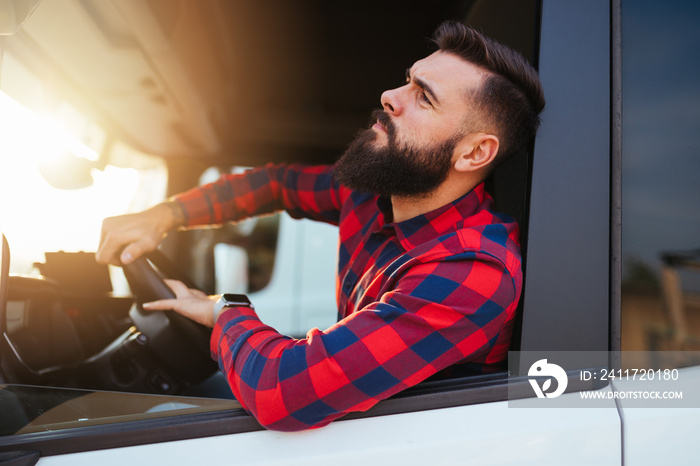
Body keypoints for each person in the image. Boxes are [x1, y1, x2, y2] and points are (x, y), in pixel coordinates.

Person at [97, 21, 545, 431]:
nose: (391, 95)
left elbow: (281, 393)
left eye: (423, 96)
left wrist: (222, 311)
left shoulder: (472, 270)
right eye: (407, 80)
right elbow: (277, 184)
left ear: (472, 154)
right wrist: (165, 215)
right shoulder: (374, 194)